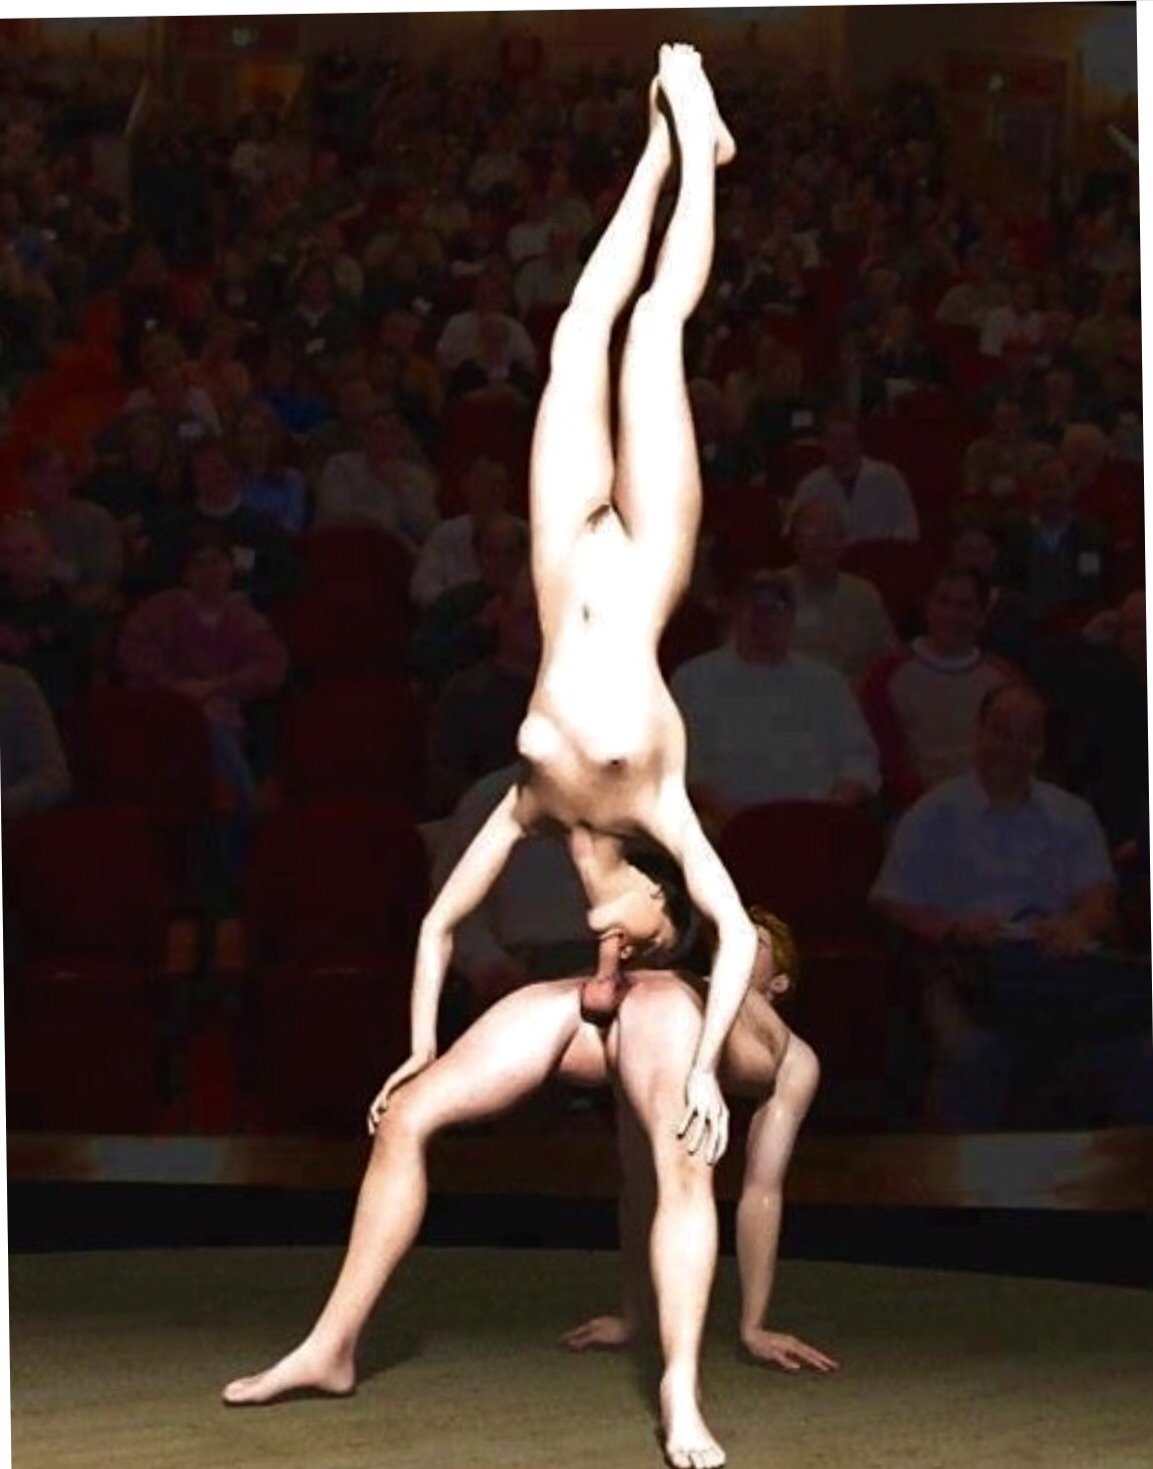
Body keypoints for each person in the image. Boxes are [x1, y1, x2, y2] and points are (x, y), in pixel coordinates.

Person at [224, 49, 757, 1469]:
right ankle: (331, 1344)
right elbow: (436, 920)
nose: (602, 900)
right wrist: (412, 1045)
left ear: (639, 905)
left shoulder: (655, 805)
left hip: (639, 571)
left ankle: (681, 1397)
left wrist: (710, 1061)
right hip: (573, 553)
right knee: (581, 320)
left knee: (654, 325)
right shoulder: (536, 802)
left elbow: (730, 929)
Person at [562, 910, 838, 1375]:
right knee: (641, 1179)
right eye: (733, 934)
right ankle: (638, 1312)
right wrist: (632, 1317)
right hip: (662, 1019)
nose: (737, 941)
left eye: (755, 943)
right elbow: (638, 1186)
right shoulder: (669, 1001)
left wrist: (754, 1327)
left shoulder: (795, 1059)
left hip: (714, 1025)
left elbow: (762, 1191)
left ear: (780, 982)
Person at [870, 682, 1151, 1129]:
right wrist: (952, 928)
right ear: (979, 733)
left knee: (1135, 1050)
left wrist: (1077, 925)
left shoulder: (1071, 814)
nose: (1013, 749)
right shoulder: (933, 814)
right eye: (1002, 733)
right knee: (973, 1054)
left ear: (1042, 749)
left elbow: (1100, 898)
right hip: (964, 968)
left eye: (1028, 739)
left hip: (1055, 967)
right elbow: (891, 902)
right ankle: (951, 1173)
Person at [671, 569, 880, 829]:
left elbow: (858, 758)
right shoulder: (693, 680)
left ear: (792, 616)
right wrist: (735, 820)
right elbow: (688, 766)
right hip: (727, 826)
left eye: (776, 609)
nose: (765, 619)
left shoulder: (827, 681)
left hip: (817, 821)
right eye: (755, 607)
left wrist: (831, 813)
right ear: (735, 612)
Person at [859, 567, 1019, 808]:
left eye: (965, 606)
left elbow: (1013, 757)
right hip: (914, 809)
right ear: (927, 607)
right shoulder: (887, 674)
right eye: (943, 602)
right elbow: (881, 757)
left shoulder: (1004, 680)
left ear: (982, 615)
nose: (951, 614)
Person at [786, 408, 919, 544]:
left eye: (847, 439)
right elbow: (791, 533)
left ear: (860, 442)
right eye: (834, 440)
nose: (841, 446)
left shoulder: (888, 477)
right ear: (823, 444)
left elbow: (909, 529)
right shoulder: (810, 485)